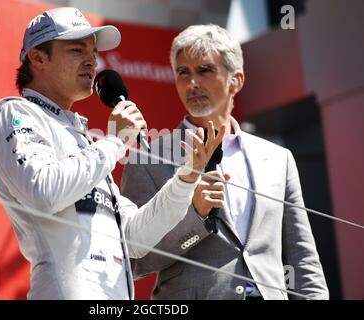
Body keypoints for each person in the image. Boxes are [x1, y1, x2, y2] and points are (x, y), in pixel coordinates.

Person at [0, 8, 224, 300]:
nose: (91, 61)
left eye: (94, 52)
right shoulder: (13, 113)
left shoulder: (84, 141)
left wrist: (184, 181)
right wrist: (115, 141)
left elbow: (134, 239)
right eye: (76, 49)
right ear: (37, 57)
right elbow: (43, 191)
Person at [121, 24, 329, 300]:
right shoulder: (147, 159)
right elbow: (134, 262)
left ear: (236, 80)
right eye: (183, 72)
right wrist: (194, 217)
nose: (192, 83)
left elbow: (303, 258)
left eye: (204, 70)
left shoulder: (279, 159)